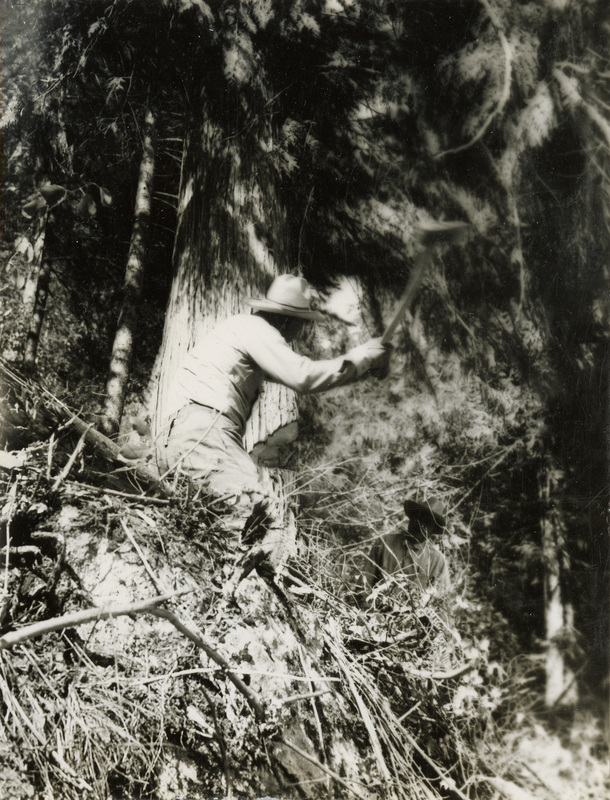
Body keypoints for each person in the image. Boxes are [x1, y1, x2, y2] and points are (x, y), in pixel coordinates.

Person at [160, 274, 388, 545]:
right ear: (289, 320)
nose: (301, 333)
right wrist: (365, 356)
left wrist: (365, 370)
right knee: (255, 512)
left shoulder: (239, 332)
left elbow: (304, 376)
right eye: (302, 324)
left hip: (182, 435)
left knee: (211, 527)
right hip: (204, 434)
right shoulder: (258, 330)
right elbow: (304, 376)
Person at [363, 497, 450, 596]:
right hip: (376, 608)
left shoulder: (436, 561)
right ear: (411, 517)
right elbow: (366, 582)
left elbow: (438, 599)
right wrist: (367, 607)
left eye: (427, 522)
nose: (420, 524)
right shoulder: (385, 543)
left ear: (433, 529)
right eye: (418, 517)